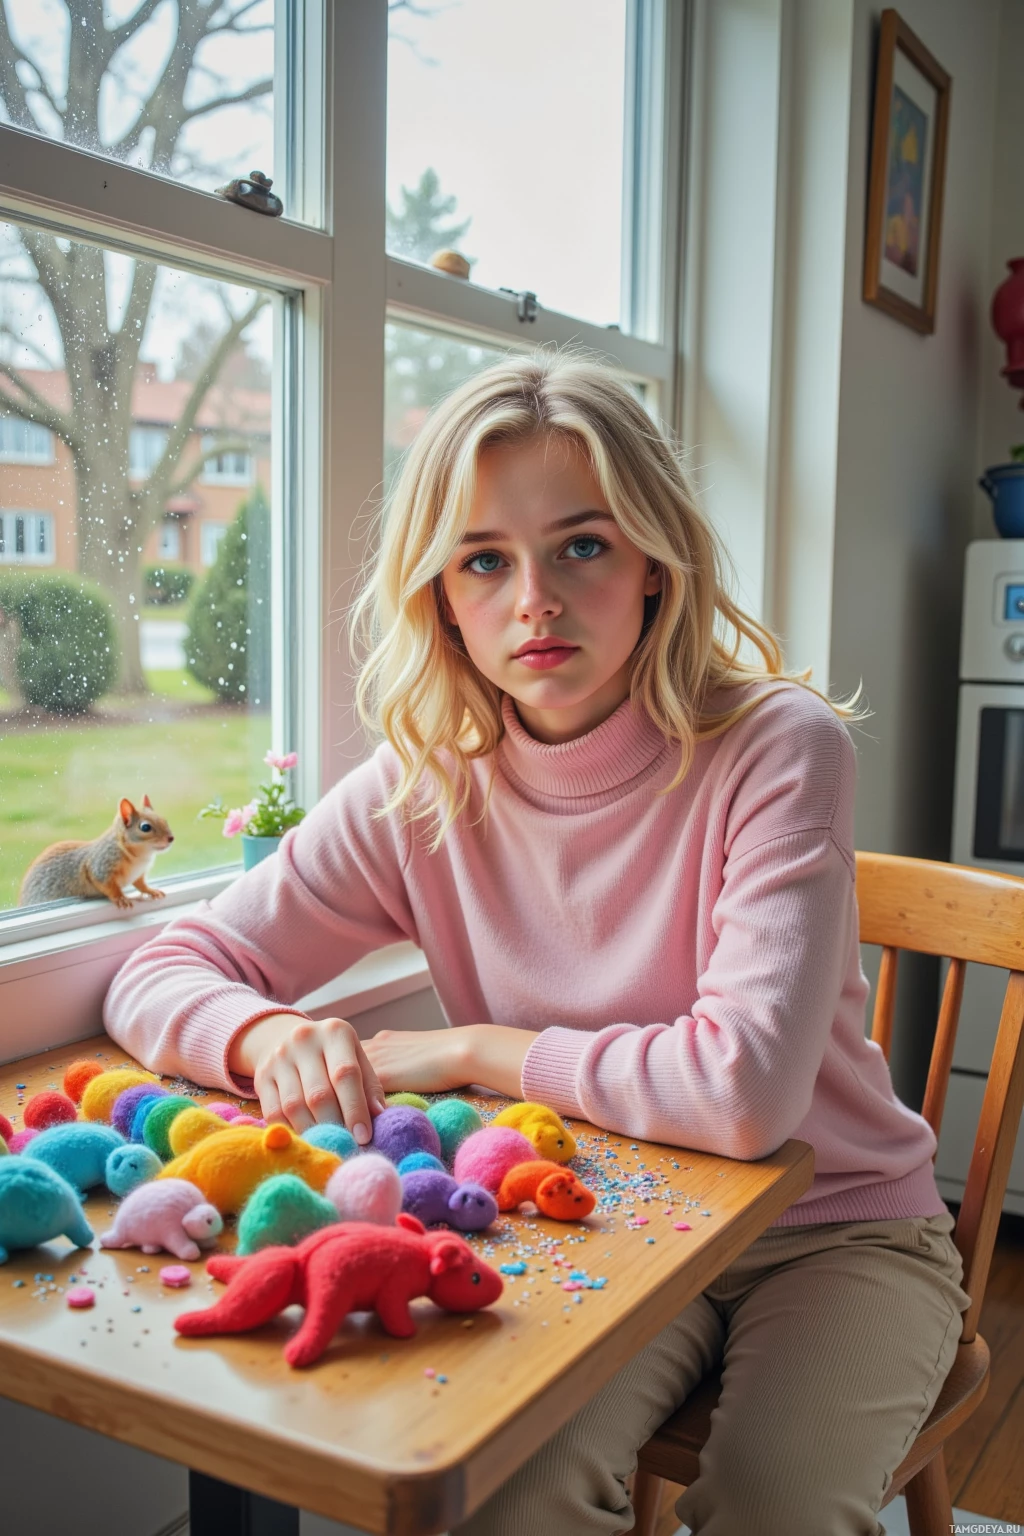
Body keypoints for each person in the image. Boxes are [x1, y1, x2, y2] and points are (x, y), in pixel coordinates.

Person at [105, 351, 970, 1536]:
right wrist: (267, 1032)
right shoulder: (420, 789)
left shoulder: (779, 747)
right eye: (483, 561)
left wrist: (469, 1050)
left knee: (775, 1506)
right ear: (441, 597)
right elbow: (157, 970)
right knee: (507, 1497)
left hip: (838, 1228)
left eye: (582, 545)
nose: (535, 602)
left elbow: (743, 1097)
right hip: (599, 1220)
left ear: (655, 564)